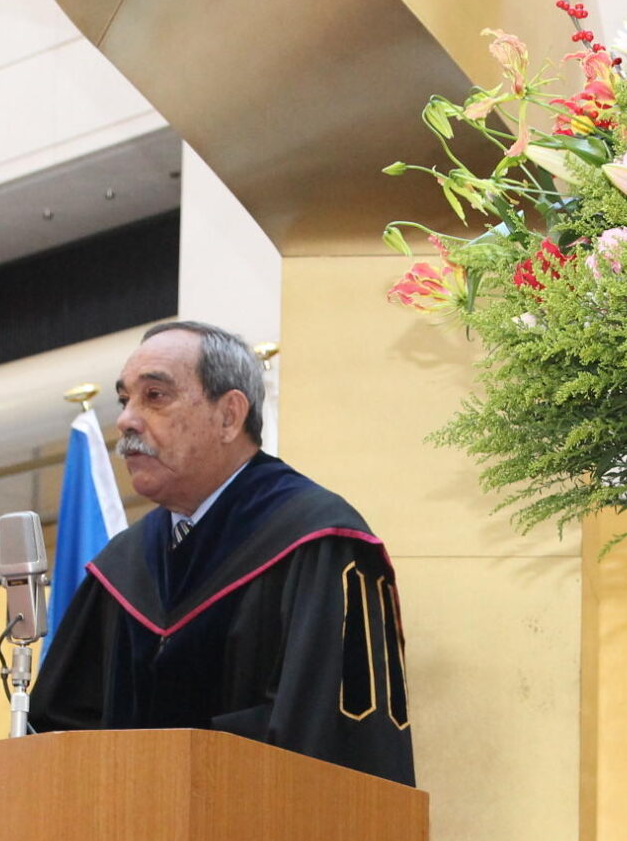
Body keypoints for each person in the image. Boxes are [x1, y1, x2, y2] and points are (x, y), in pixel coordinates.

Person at [30, 320, 414, 786]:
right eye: (124, 399)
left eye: (155, 396)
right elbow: (61, 732)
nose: (127, 420)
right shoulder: (122, 568)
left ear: (230, 416)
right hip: (128, 830)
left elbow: (325, 736)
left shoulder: (318, 542)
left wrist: (169, 771)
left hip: (263, 823)